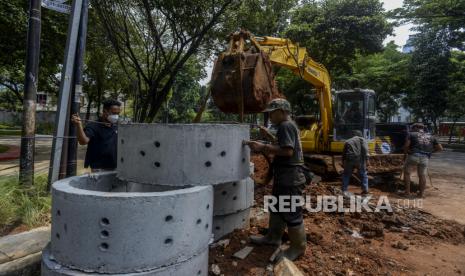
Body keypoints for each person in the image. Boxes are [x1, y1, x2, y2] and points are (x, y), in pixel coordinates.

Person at [244, 98, 307, 261]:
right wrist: (270, 137)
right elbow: (284, 144)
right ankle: (273, 237)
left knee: (291, 212)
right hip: (285, 176)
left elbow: (287, 151)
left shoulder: (286, 125)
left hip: (290, 178)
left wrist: (262, 146)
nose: (270, 116)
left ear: (282, 111)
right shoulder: (286, 126)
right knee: (277, 207)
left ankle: (298, 247)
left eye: (272, 113)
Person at [71, 99, 121, 172]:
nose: (116, 116)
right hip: (99, 167)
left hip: (115, 166)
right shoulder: (93, 126)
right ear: (105, 111)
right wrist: (79, 125)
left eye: (118, 113)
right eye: (113, 113)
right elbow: (83, 141)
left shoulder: (116, 126)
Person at [403, 123, 442, 198]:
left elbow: (406, 146)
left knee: (407, 173)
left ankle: (407, 193)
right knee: (422, 175)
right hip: (425, 157)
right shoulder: (431, 136)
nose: (411, 129)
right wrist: (430, 152)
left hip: (413, 155)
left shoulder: (411, 134)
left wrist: (406, 153)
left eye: (412, 128)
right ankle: (421, 194)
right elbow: (440, 148)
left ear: (415, 128)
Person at [342, 130, 369, 196]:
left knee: (346, 174)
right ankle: (365, 189)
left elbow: (344, 153)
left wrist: (343, 162)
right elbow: (365, 150)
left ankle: (344, 190)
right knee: (363, 174)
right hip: (360, 160)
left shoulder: (348, 141)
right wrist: (367, 160)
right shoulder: (363, 140)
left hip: (350, 159)